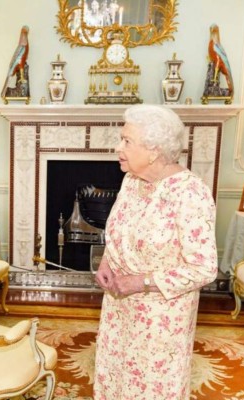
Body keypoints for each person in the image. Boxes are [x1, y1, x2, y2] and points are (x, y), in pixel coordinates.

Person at [93, 104, 218, 399]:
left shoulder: (190, 194)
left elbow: (204, 268)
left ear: (153, 150)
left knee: (151, 387)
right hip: (119, 306)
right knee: (116, 376)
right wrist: (107, 261)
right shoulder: (132, 180)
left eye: (126, 141)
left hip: (160, 319)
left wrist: (140, 282)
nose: (117, 148)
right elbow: (120, 229)